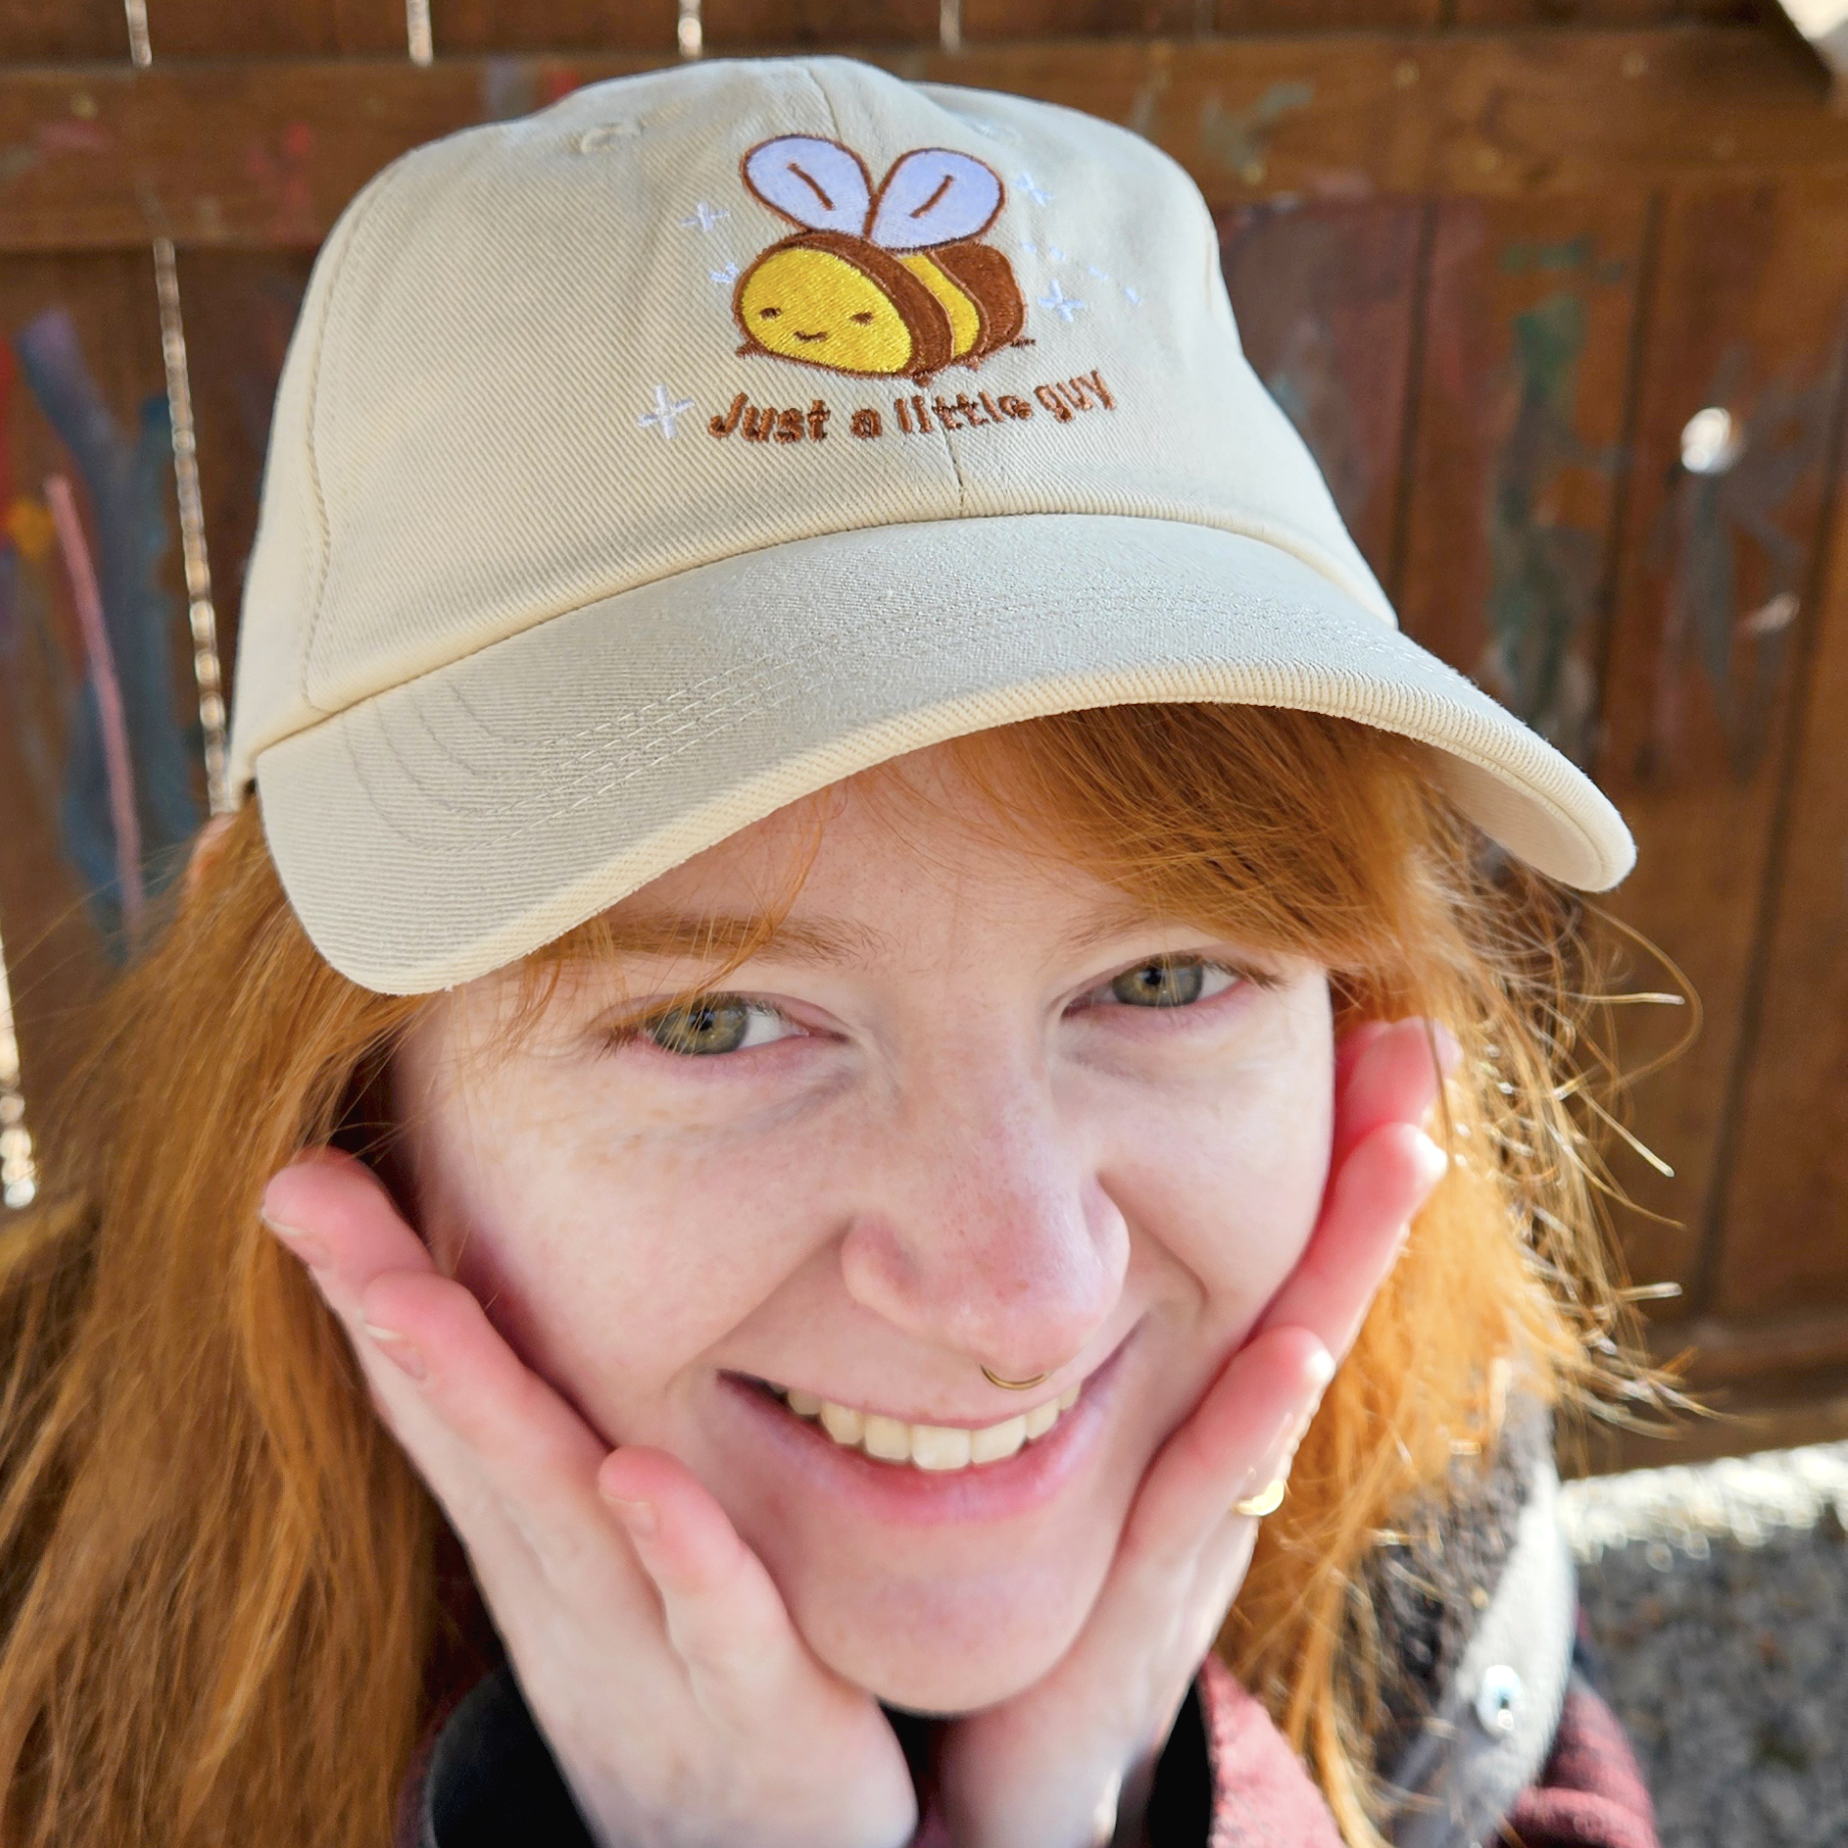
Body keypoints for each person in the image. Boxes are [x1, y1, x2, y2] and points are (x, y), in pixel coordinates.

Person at [0, 55, 1668, 1848]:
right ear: (340, 1071)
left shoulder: (1413, 1508)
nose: (1024, 1303)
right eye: (719, 1021)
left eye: (1164, 980)